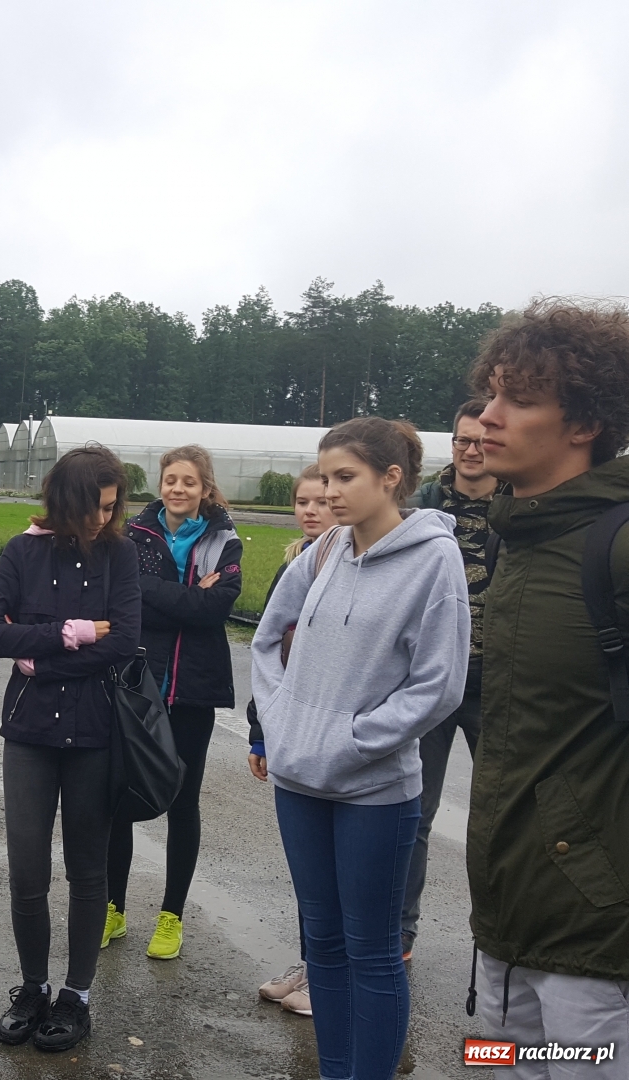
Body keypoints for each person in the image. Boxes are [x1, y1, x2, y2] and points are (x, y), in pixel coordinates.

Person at [251, 417, 469, 1080]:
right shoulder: (324, 551)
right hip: (300, 786)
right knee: (323, 946)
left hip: (375, 792)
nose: (329, 492)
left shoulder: (434, 559)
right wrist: (286, 724)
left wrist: (350, 742)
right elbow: (267, 639)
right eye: (323, 477)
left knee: (372, 951)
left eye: (345, 477)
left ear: (391, 478)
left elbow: (439, 685)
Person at [465, 300, 629, 1070]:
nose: (487, 417)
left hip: (592, 945)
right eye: (491, 392)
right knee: (498, 1065)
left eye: (518, 400)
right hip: (503, 916)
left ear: (585, 423)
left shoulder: (615, 547)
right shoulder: (517, 539)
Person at [0, 446, 141, 1053]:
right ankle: (32, 987)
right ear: (66, 500)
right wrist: (68, 634)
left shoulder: (120, 556)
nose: (103, 518)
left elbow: (124, 640)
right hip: (28, 734)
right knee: (27, 867)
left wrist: (40, 656)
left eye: (112, 506)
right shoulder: (23, 550)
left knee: (87, 869)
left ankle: (76, 996)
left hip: (94, 733)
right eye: (94, 507)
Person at [105, 446, 242, 961]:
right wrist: (183, 596)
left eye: (189, 481)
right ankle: (113, 909)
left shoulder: (224, 538)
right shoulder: (132, 535)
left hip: (193, 689)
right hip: (138, 683)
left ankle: (171, 915)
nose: (178, 489)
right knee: (120, 797)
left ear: (205, 488)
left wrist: (156, 594)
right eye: (170, 480)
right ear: (159, 485)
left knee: (182, 802)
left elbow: (216, 608)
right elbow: (126, 595)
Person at [399, 397, 504, 962]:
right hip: (431, 679)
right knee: (415, 807)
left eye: (480, 441)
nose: (469, 450)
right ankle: (401, 929)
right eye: (461, 440)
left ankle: (504, 934)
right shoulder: (417, 508)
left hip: (498, 679)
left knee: (504, 817)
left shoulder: (522, 510)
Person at [249, 463, 330, 1018]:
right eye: (301, 501)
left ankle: (329, 975)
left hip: (336, 733)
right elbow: (268, 651)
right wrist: (260, 733)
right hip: (292, 728)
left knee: (338, 867)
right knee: (310, 869)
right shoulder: (292, 569)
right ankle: (312, 961)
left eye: (319, 501)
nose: (308, 510)